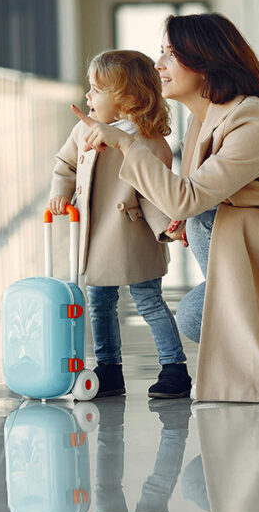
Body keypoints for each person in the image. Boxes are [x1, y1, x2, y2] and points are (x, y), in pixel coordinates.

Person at [70, 13, 259, 403]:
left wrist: (126, 144)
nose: (158, 65)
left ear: (205, 64)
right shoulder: (202, 120)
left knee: (200, 237)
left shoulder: (251, 121)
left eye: (170, 54)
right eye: (160, 52)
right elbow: (185, 201)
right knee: (193, 314)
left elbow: (188, 198)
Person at [49, 50, 191, 399]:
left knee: (149, 301)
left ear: (127, 99)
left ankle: (174, 368)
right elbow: (65, 165)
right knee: (98, 303)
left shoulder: (149, 143)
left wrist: (167, 226)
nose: (88, 97)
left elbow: (154, 192)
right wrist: (59, 192)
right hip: (95, 236)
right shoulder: (82, 132)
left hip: (133, 234)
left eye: (96, 89)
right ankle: (108, 369)